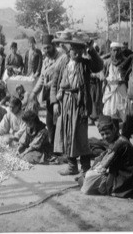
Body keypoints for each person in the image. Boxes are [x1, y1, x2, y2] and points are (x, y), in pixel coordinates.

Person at [52, 35, 103, 176]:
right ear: (69, 50)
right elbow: (55, 83)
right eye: (74, 49)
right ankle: (71, 166)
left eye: (79, 49)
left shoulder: (85, 64)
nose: (76, 52)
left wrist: (91, 50)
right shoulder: (64, 64)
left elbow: (99, 66)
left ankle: (85, 168)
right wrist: (55, 102)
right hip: (65, 102)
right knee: (67, 134)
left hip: (80, 103)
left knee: (80, 135)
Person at [79, 115, 133, 197]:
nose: (105, 137)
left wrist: (106, 188)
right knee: (89, 175)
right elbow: (104, 158)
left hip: (125, 185)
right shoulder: (118, 140)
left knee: (83, 180)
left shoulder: (119, 144)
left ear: (114, 130)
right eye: (102, 134)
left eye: (107, 133)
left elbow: (107, 167)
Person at [29, 35, 68, 145]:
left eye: (48, 48)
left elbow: (64, 77)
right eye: (44, 48)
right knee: (50, 122)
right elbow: (41, 79)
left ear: (54, 46)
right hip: (49, 96)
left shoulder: (62, 58)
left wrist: (51, 83)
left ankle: (60, 147)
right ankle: (52, 145)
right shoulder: (46, 60)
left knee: (59, 121)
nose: (46, 51)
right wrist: (34, 93)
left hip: (60, 95)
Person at [102, 41, 131, 131]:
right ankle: (115, 133)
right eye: (114, 50)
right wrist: (104, 87)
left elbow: (128, 76)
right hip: (110, 89)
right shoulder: (107, 62)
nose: (116, 53)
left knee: (124, 111)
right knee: (112, 112)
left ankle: (125, 133)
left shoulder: (125, 61)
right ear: (111, 51)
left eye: (118, 50)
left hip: (121, 88)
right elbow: (104, 75)